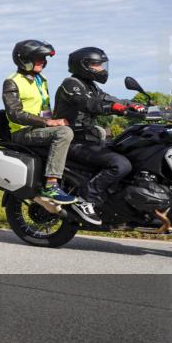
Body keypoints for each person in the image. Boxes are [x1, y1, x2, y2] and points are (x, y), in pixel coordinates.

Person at [54, 47, 144, 220]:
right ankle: (85, 199)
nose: (101, 69)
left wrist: (135, 105)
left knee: (132, 152)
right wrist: (115, 108)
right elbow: (89, 104)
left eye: (102, 65)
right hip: (73, 141)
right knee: (120, 164)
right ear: (83, 65)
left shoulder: (91, 86)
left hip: (89, 140)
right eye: (97, 65)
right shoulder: (71, 84)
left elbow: (109, 99)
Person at [2, 40, 78, 205]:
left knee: (86, 131)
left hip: (40, 129)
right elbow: (15, 113)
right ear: (24, 59)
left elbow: (45, 108)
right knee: (64, 133)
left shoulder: (41, 79)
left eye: (44, 58)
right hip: (23, 131)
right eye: (38, 58)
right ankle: (51, 185)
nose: (42, 61)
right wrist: (47, 122)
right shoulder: (12, 81)